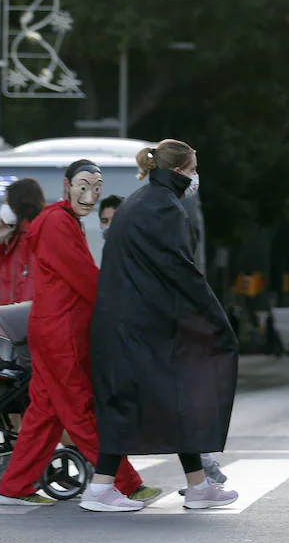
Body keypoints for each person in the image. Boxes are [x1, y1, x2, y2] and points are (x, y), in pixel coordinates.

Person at [84, 140, 238, 512]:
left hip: (130, 323)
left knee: (171, 400)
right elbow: (181, 271)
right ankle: (100, 489)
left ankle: (198, 486)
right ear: (180, 170)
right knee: (151, 401)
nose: (196, 176)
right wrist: (215, 320)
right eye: (194, 168)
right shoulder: (165, 208)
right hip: (144, 325)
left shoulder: (140, 201)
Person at [0, 160, 157, 507]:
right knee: (80, 409)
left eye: (96, 188)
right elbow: (82, 275)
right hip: (61, 332)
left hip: (56, 328)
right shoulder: (58, 222)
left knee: (46, 412)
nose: (90, 195)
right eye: (83, 186)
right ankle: (124, 484)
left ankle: (14, 487)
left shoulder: (63, 220)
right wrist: (121, 305)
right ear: (66, 185)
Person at [0, 179, 46, 305]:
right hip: (9, 314)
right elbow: (3, 280)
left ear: (18, 205)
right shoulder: (16, 237)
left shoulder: (34, 235)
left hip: (20, 317)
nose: (3, 208)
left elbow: (32, 282)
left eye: (7, 202)